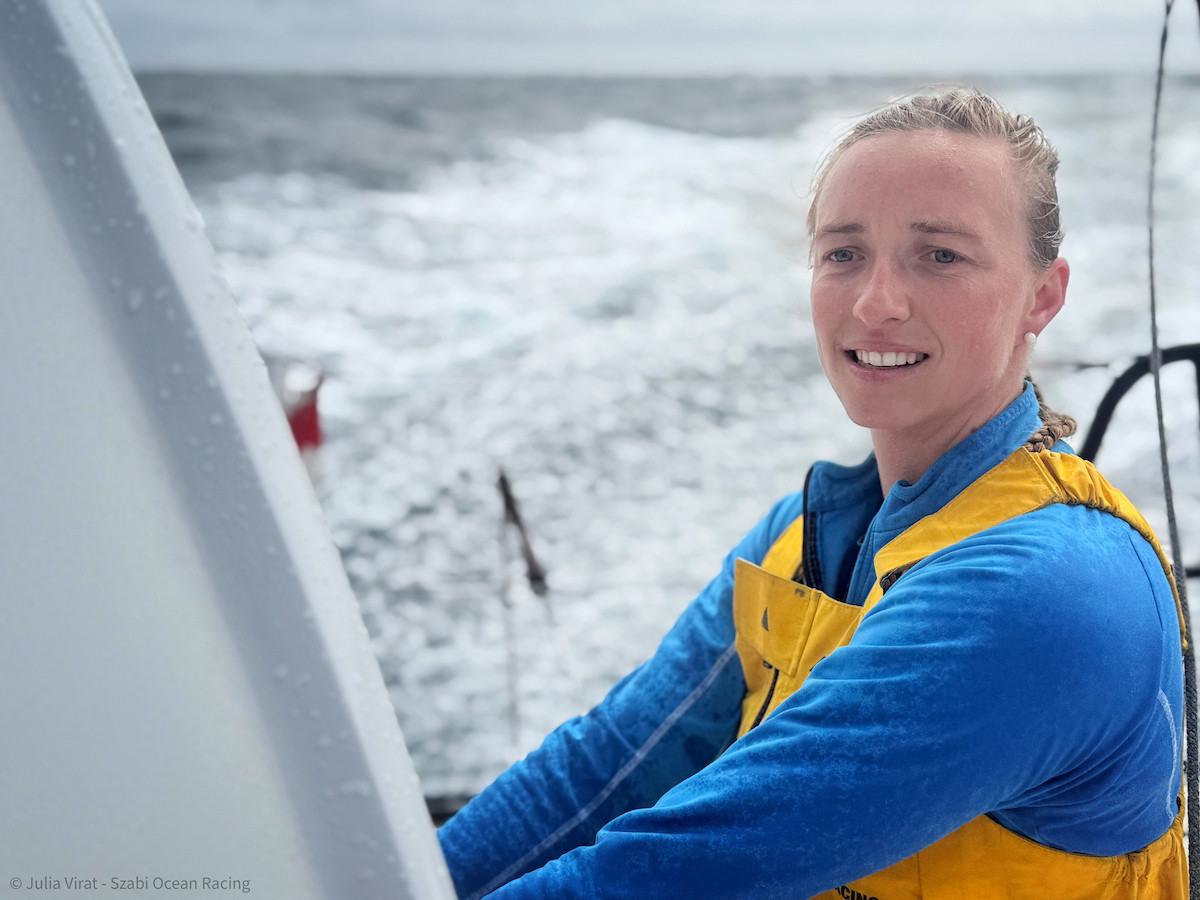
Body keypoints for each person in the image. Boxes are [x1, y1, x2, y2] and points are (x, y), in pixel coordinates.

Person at [437, 87, 1188, 899]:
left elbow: (680, 870)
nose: (876, 302)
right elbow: (606, 770)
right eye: (843, 253)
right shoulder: (801, 540)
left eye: (940, 256)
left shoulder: (1045, 592)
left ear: (1043, 295)